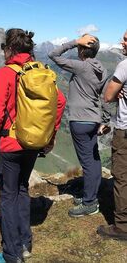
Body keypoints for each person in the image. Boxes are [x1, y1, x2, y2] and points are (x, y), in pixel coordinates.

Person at [0, 28, 66, 263]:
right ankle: (25, 244)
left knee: (8, 196)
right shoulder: (41, 72)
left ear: (9, 49)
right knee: (22, 190)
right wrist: (50, 136)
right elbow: (60, 102)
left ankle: (11, 254)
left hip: (9, 145)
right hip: (34, 143)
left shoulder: (6, 73)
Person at [48, 34, 110, 218]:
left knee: (87, 163)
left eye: (79, 47)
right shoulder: (103, 69)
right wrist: (105, 120)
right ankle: (91, 194)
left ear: (82, 49)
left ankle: (90, 203)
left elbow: (53, 54)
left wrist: (75, 41)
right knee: (94, 159)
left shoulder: (81, 66)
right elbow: (106, 97)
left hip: (80, 120)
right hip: (93, 120)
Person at [97, 30, 127, 241]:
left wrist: (118, 92)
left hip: (125, 131)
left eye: (126, 38)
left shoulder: (124, 65)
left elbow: (108, 96)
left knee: (122, 177)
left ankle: (122, 226)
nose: (122, 41)